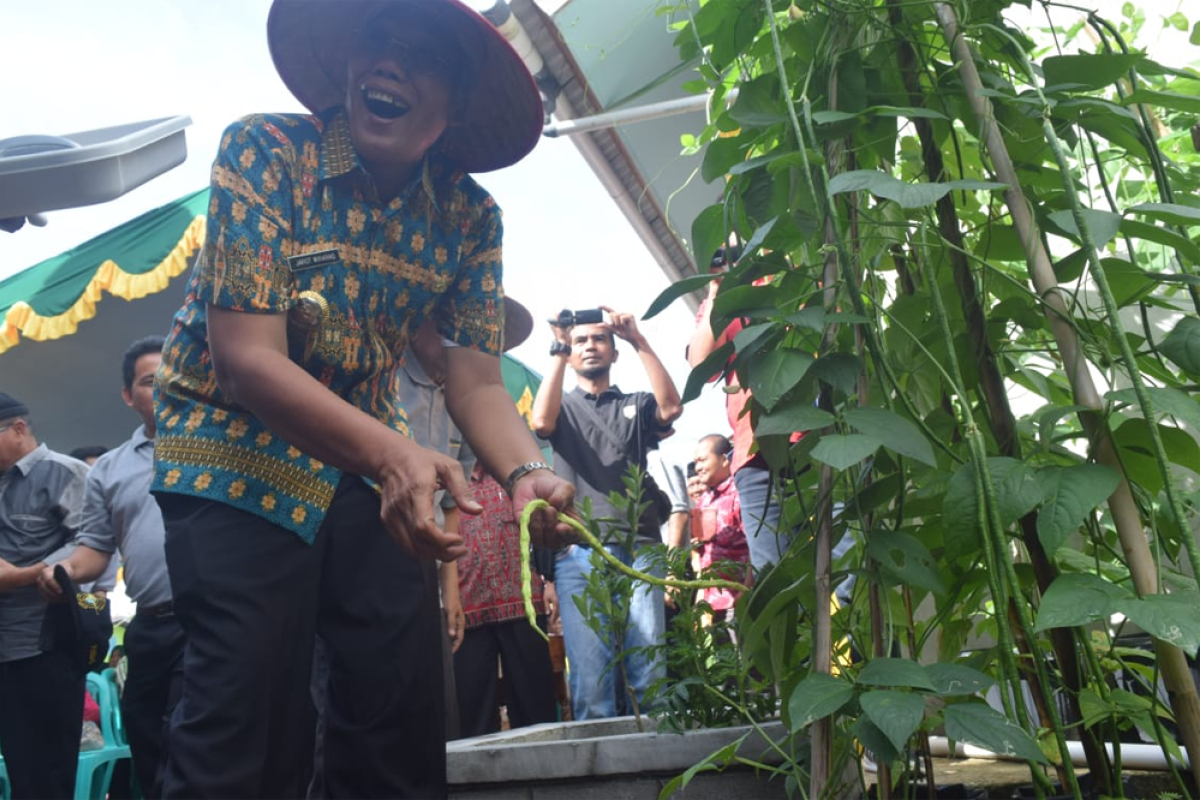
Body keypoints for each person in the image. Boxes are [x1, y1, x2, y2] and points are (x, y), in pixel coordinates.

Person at [148, 1, 574, 797]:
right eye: (378, 44)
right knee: (250, 716)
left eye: (421, 58)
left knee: (400, 701)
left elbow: (475, 380)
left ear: (455, 106)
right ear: (347, 67)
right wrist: (393, 454)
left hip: (369, 464)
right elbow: (246, 361)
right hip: (229, 443)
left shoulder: (473, 218)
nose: (390, 66)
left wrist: (525, 475)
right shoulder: (265, 149)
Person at [37, 335, 183, 800]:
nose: (162, 386)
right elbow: (94, 553)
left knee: (199, 741)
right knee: (146, 738)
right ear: (128, 396)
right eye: (148, 381)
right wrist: (58, 572)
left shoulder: (227, 447)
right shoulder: (110, 469)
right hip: (152, 625)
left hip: (217, 618)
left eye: (170, 375)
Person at [531, 306, 683, 720]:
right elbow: (540, 421)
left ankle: (660, 766)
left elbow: (671, 409)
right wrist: (558, 348)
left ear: (614, 353)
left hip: (641, 547)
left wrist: (639, 340)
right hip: (577, 551)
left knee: (649, 672)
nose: (590, 347)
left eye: (599, 339)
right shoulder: (561, 407)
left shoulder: (635, 402)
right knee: (590, 678)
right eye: (580, 341)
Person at [0, 392, 89, 799]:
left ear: (19, 428)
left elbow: (90, 545)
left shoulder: (66, 473)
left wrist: (23, 575)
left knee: (45, 773)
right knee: (16, 771)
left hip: (42, 646)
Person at [687, 246, 793, 573]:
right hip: (756, 449)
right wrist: (718, 289)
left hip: (815, 437)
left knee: (840, 562)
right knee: (773, 572)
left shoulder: (796, 275)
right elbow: (701, 366)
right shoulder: (723, 299)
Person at [453, 461, 558, 738]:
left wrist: (550, 580)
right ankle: (479, 779)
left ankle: (545, 774)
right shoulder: (449, 474)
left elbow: (544, 523)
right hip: (465, 609)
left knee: (536, 711)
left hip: (524, 607)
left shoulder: (514, 472)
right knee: (472, 714)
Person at [690, 434, 750, 626]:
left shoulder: (740, 494)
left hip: (736, 602)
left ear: (724, 459)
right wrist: (700, 596)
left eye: (703, 460)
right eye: (695, 462)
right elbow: (700, 552)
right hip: (708, 607)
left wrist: (746, 592)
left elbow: (753, 548)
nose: (697, 468)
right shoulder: (704, 500)